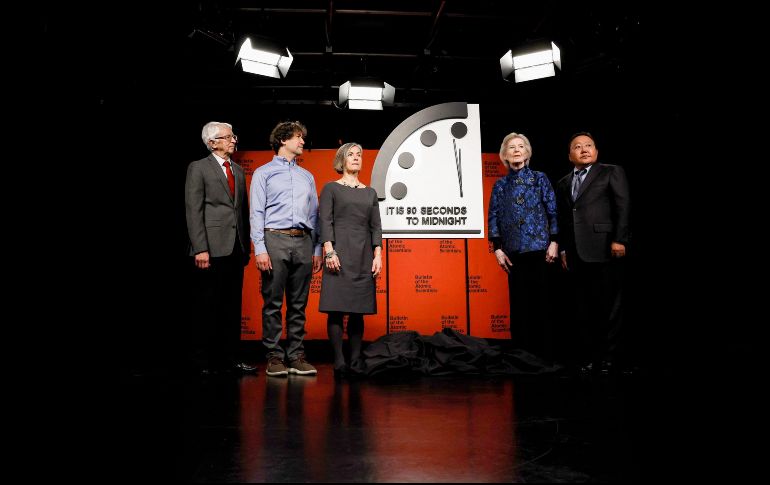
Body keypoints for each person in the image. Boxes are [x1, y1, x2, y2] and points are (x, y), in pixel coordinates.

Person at [250, 121, 323, 377]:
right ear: (283, 140)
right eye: (298, 137)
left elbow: (314, 215)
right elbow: (256, 213)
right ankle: (273, 356)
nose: (303, 141)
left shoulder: (307, 177)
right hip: (274, 240)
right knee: (272, 303)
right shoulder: (263, 173)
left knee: (298, 303)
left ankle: (296, 355)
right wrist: (259, 248)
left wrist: (316, 250)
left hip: (303, 241)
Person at [555, 132, 630, 375]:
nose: (584, 149)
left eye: (588, 146)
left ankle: (608, 358)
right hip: (576, 253)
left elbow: (623, 205)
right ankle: (589, 357)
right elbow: (565, 219)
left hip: (606, 247)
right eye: (577, 147)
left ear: (596, 152)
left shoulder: (610, 172)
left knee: (609, 305)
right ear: (570, 155)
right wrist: (564, 248)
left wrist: (620, 239)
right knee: (583, 307)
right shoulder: (564, 182)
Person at [185, 121, 255, 376]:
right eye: (227, 137)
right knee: (206, 307)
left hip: (235, 249)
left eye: (233, 136)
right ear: (212, 142)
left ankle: (230, 359)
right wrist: (200, 248)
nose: (233, 140)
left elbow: (242, 212)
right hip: (210, 250)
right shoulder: (198, 168)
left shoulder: (237, 170)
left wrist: (246, 245)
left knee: (232, 307)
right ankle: (201, 361)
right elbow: (194, 210)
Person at [488, 132, 559, 360]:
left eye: (521, 146)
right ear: (505, 155)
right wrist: (497, 248)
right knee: (519, 305)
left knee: (542, 304)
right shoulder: (500, 185)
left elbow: (552, 210)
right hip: (513, 252)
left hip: (540, 249)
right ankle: (522, 355)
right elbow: (493, 216)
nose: (517, 150)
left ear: (527, 153)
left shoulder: (539, 178)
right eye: (512, 147)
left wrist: (555, 242)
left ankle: (544, 354)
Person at [318, 143, 383, 379]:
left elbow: (376, 227)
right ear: (341, 160)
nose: (356, 158)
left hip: (363, 255)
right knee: (336, 310)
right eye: (351, 155)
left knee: (358, 310)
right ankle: (339, 360)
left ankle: (355, 360)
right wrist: (329, 251)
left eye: (359, 155)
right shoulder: (331, 189)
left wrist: (378, 255)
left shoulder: (370, 193)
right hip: (338, 254)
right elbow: (325, 221)